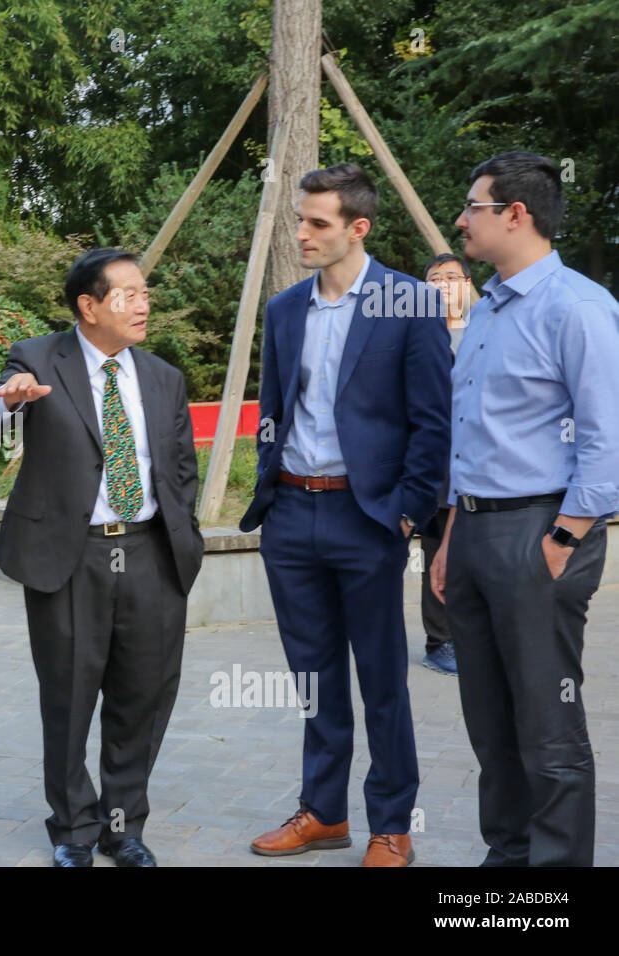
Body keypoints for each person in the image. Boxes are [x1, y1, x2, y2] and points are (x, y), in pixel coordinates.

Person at [239, 165, 451, 867]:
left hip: (368, 520)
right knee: (314, 677)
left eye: (318, 223)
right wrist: (270, 494)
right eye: (300, 219)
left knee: (382, 677)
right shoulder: (284, 309)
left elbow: (433, 423)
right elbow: (273, 411)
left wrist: (406, 514)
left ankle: (391, 823)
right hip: (292, 514)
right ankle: (323, 812)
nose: (301, 232)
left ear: (358, 228)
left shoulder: (411, 303)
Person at [0, 248, 205, 867]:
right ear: (89, 305)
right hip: (71, 556)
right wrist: (9, 400)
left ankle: (122, 825)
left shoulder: (162, 376)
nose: (143, 303)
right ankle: (73, 829)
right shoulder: (39, 358)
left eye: (145, 291)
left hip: (152, 552)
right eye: (127, 294)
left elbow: (181, 468)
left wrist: (186, 535)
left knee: (143, 694)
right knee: (70, 695)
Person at [431, 151, 619, 867]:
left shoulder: (577, 307)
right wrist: (452, 535)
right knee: (490, 720)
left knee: (549, 722)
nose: (460, 221)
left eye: (471, 207)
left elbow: (608, 437)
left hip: (541, 530)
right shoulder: (487, 310)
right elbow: (470, 439)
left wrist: (565, 538)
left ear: (517, 214)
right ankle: (507, 860)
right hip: (474, 530)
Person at [416, 253, 475, 677]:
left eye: (452, 277)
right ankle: (440, 641)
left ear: (468, 284)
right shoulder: (416, 334)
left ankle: (476, 637)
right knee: (439, 553)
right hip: (438, 468)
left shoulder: (485, 333)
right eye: (435, 279)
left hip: (484, 464)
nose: (444, 284)